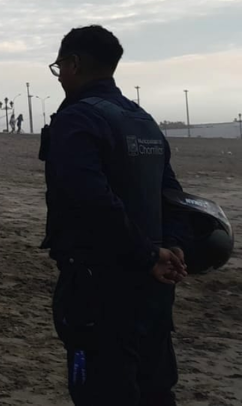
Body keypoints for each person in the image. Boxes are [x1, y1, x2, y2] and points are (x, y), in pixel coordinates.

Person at [41, 25, 189, 405]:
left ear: (73, 63)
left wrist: (148, 254)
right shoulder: (141, 118)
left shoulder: (77, 119)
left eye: (59, 69)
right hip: (154, 283)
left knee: (101, 389)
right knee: (155, 387)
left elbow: (91, 199)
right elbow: (170, 195)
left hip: (98, 283)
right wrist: (169, 248)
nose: (60, 79)